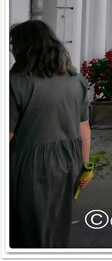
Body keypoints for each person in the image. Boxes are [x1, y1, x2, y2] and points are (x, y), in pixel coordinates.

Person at [9, 20, 91, 248]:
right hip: (68, 162)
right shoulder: (76, 80)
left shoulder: (15, 83)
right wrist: (85, 166)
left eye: (13, 44)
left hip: (28, 165)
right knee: (56, 225)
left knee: (26, 231)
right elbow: (84, 126)